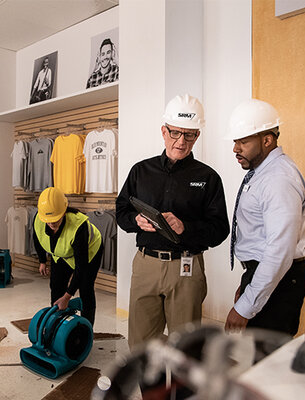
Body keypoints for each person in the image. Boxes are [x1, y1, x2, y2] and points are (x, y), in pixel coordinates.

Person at [116, 94, 230, 349]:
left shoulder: (208, 178)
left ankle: (182, 391)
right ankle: (151, 390)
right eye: (176, 133)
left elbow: (220, 229)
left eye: (189, 135)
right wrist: (136, 220)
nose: (181, 141)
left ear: (197, 136)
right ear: (163, 131)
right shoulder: (140, 171)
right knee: (141, 346)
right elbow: (121, 212)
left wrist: (185, 228)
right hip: (146, 265)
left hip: (186, 269)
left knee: (185, 349)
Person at [224, 99, 305, 341]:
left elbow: (279, 251)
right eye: (234, 141)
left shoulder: (277, 179)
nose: (235, 149)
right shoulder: (263, 172)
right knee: (259, 358)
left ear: (267, 139)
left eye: (243, 141)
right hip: (267, 274)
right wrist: (249, 281)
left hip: (281, 279)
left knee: (267, 364)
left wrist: (247, 304)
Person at [33, 187, 103, 325]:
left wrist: (68, 296)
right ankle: (57, 325)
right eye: (48, 219)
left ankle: (87, 328)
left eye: (56, 218)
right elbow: (37, 238)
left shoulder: (78, 226)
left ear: (64, 211)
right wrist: (42, 261)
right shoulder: (39, 218)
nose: (52, 222)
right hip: (61, 254)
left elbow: (81, 267)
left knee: (85, 287)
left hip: (89, 252)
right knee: (56, 285)